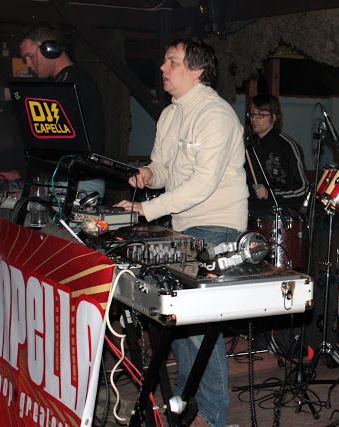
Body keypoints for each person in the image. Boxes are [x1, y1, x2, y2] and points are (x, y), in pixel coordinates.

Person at [114, 38, 248, 426]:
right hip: (184, 225)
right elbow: (165, 168)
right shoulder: (170, 115)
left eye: (172, 61)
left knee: (198, 327)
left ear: (197, 70)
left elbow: (202, 185)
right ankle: (186, 403)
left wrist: (145, 209)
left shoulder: (216, 115)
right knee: (181, 323)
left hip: (218, 225)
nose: (163, 68)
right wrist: (149, 174)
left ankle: (212, 415)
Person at [19, 23, 106, 200]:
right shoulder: (65, 82)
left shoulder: (73, 84)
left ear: (49, 50)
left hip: (78, 183)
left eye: (29, 56)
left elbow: (61, 140)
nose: (28, 64)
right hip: (67, 180)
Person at [246, 94, 308, 217]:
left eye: (261, 115)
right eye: (252, 114)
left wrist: (270, 194)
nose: (254, 119)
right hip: (253, 211)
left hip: (282, 214)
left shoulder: (287, 146)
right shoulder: (250, 148)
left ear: (274, 117)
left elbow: (302, 189)